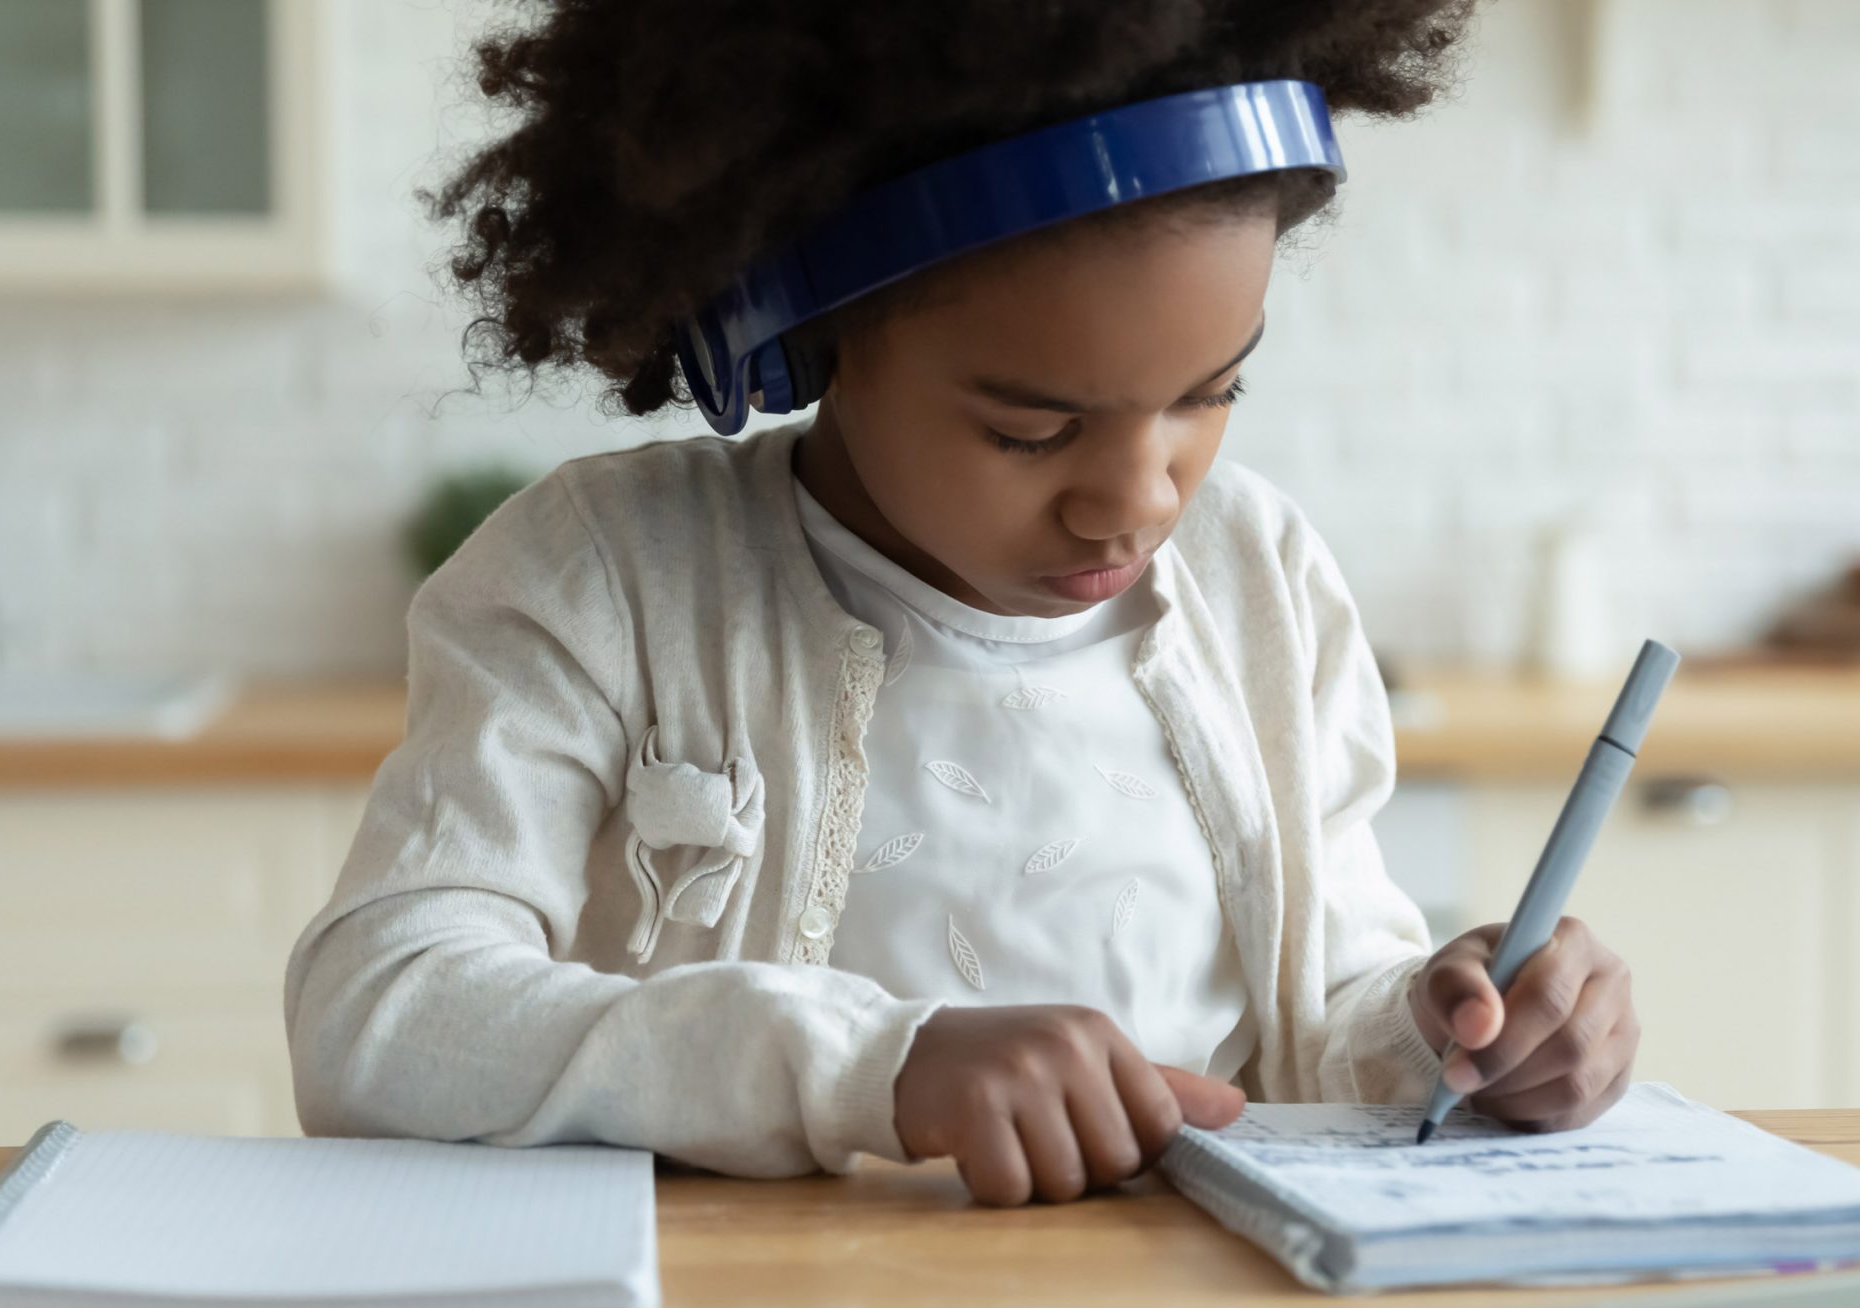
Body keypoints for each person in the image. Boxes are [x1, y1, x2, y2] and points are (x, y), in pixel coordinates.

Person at [286, 0, 1642, 1206]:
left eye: (1208, 394)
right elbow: (379, 1020)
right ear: (802, 338)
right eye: (1031, 433)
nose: (1138, 501)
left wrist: (1454, 1033)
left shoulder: (1262, 580)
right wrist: (877, 1068)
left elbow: (1326, 1011)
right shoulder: (600, 580)